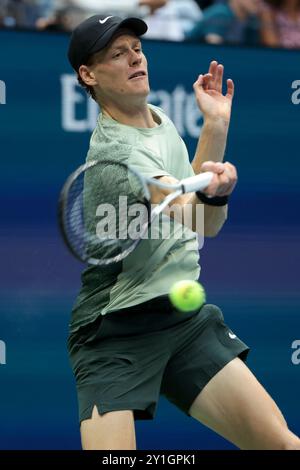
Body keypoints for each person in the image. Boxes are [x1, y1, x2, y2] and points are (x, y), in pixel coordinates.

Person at [66, 15, 300, 450]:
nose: (135, 57)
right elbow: (197, 215)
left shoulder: (156, 119)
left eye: (136, 48)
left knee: (282, 445)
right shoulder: (117, 154)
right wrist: (214, 195)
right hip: (113, 331)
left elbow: (198, 221)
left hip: (181, 320)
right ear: (88, 74)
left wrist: (215, 127)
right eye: (118, 54)